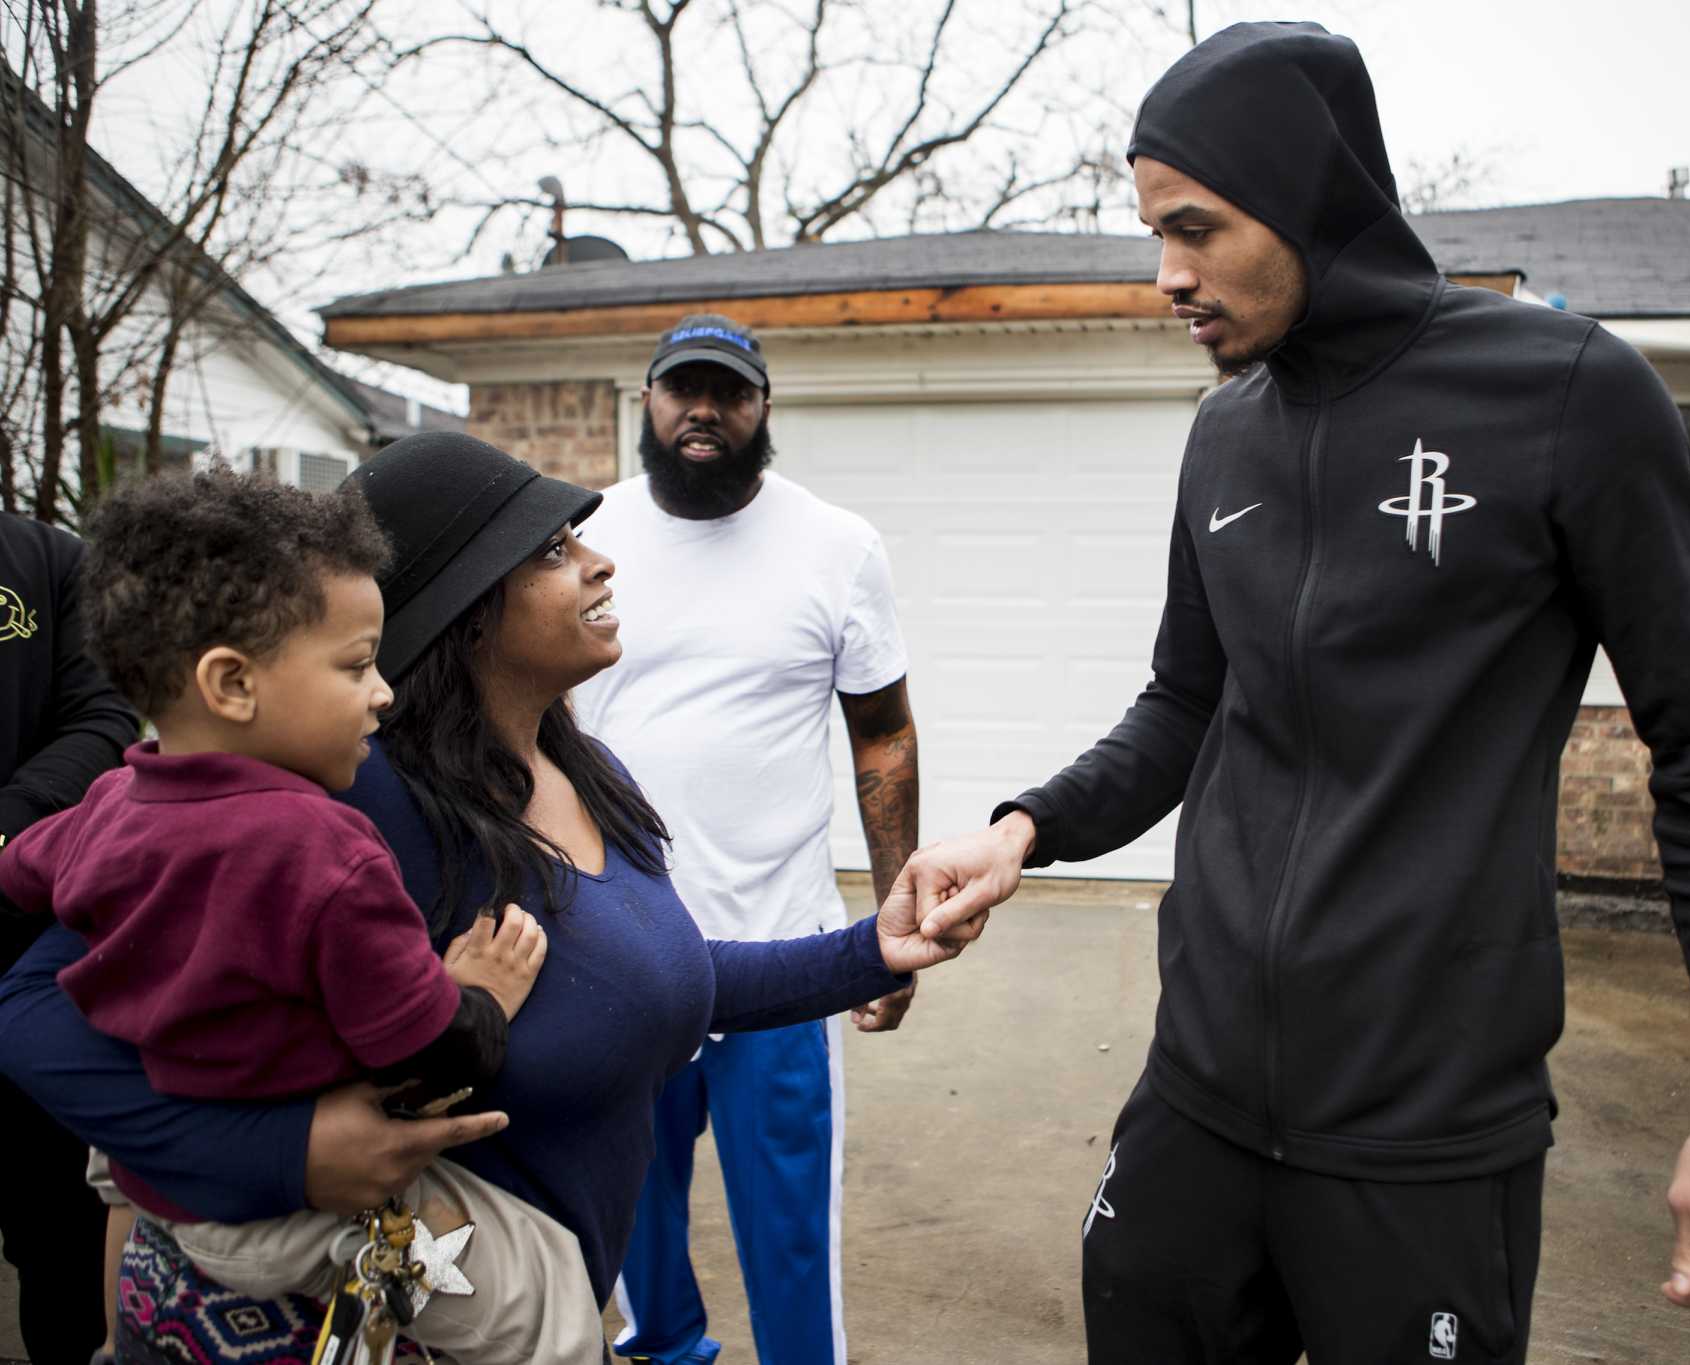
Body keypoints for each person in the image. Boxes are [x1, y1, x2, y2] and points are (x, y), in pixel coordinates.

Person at [903, 22, 1690, 1363]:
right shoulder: (1225, 436)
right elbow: (1185, 705)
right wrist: (1025, 826)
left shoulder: (1566, 398)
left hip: (1424, 1141)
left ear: (1306, 195)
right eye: (1156, 232)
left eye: (1196, 227)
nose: (1167, 274)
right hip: (1195, 1105)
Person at [0, 432, 981, 1364]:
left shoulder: (584, 768)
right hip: (377, 1320)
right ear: (463, 608)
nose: (599, 564)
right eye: (552, 550)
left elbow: (657, 981)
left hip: (546, 1295)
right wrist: (282, 1151)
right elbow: (36, 1005)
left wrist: (870, 947)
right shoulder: (337, 798)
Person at [0, 470, 599, 1364]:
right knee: (552, 1286)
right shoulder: (328, 852)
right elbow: (421, 1048)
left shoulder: (106, 802)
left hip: (160, 1193)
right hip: (297, 1212)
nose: (383, 691)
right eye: (356, 666)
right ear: (233, 683)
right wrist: (479, 997)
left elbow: (19, 871)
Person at [576, 314, 918, 1365]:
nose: (703, 411)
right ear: (645, 401)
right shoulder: (586, 539)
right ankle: (666, 1353)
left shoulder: (836, 546)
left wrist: (894, 915)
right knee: (635, 1215)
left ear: (763, 408)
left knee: (788, 1234)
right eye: (682, 389)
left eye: (727, 392)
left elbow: (883, 735)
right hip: (631, 948)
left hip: (784, 952)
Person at [0, 509, 136, 1365]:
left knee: (59, 1241)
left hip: (33, 947)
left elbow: (104, 712)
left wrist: (9, 824)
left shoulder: (46, 558)